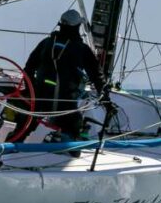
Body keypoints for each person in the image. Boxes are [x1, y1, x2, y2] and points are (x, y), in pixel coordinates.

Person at [23, 9, 107, 141]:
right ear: (77, 26)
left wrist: (30, 90)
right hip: (65, 105)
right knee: (75, 128)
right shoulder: (82, 49)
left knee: (26, 126)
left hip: (40, 101)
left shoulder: (46, 43)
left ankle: (18, 142)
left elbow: (28, 68)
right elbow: (96, 75)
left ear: (61, 25)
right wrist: (105, 95)